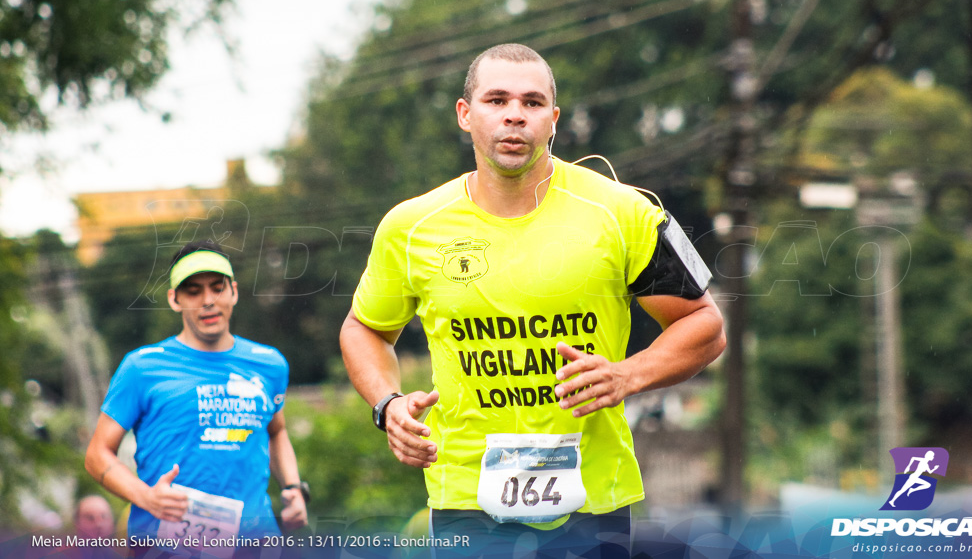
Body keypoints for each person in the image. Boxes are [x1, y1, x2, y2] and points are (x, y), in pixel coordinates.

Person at [339, 43, 726, 557]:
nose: (514, 115)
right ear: (465, 114)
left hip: (593, 500)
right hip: (467, 502)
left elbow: (705, 326)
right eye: (496, 100)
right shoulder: (412, 226)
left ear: (553, 119)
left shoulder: (622, 212)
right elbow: (364, 329)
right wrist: (387, 404)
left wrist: (627, 374)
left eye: (532, 102)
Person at [85, 240, 308, 554]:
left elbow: (277, 430)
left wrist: (293, 487)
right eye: (193, 291)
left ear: (234, 291)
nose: (207, 301)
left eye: (217, 288)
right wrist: (145, 496)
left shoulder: (269, 363)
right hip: (168, 546)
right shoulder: (142, 367)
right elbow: (96, 455)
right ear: (174, 299)